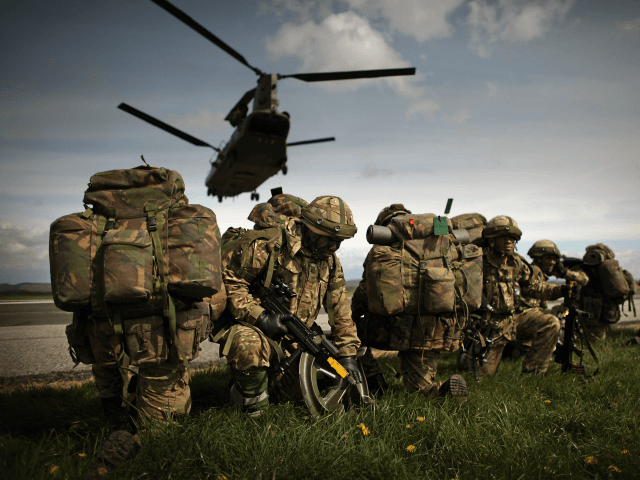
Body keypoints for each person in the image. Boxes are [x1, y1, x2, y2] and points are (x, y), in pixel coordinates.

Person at [218, 196, 362, 414]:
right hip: (258, 330)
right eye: (328, 238)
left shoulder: (331, 263)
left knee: (290, 397)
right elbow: (232, 282)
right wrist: (261, 317)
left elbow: (341, 312)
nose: (334, 246)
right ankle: (253, 414)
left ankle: (257, 385)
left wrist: (348, 355)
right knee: (248, 344)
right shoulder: (271, 244)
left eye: (339, 241)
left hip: (298, 339)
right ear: (310, 228)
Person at [351, 204, 469, 398]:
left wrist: (352, 319)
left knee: (349, 335)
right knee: (419, 389)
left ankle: (373, 379)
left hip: (393, 330)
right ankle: (443, 390)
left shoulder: (384, 252)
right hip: (434, 332)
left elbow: (364, 295)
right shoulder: (442, 249)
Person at [477, 217, 576, 376]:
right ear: (491, 240)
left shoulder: (515, 263)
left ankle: (533, 375)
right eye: (503, 237)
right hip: (489, 325)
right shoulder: (477, 262)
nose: (508, 242)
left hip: (515, 318)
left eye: (512, 238)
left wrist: (560, 290)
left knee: (551, 323)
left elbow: (533, 287)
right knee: (482, 375)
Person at [570, 243, 635, 341]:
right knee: (596, 336)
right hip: (606, 311)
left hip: (591, 311)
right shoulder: (612, 270)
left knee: (593, 339)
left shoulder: (584, 269)